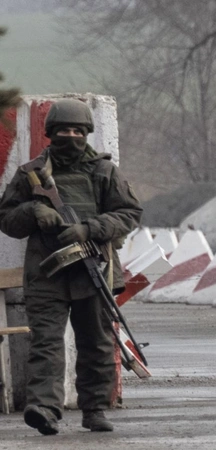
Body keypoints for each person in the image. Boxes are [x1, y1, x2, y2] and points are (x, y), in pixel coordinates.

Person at [0, 98, 143, 435]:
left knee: (96, 342)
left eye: (78, 131)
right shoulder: (32, 174)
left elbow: (129, 213)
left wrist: (89, 229)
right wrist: (34, 211)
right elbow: (6, 218)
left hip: (93, 268)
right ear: (51, 133)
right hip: (47, 273)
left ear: (87, 133)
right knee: (46, 343)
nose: (72, 136)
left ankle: (94, 408)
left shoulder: (104, 171)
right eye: (64, 130)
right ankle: (44, 408)